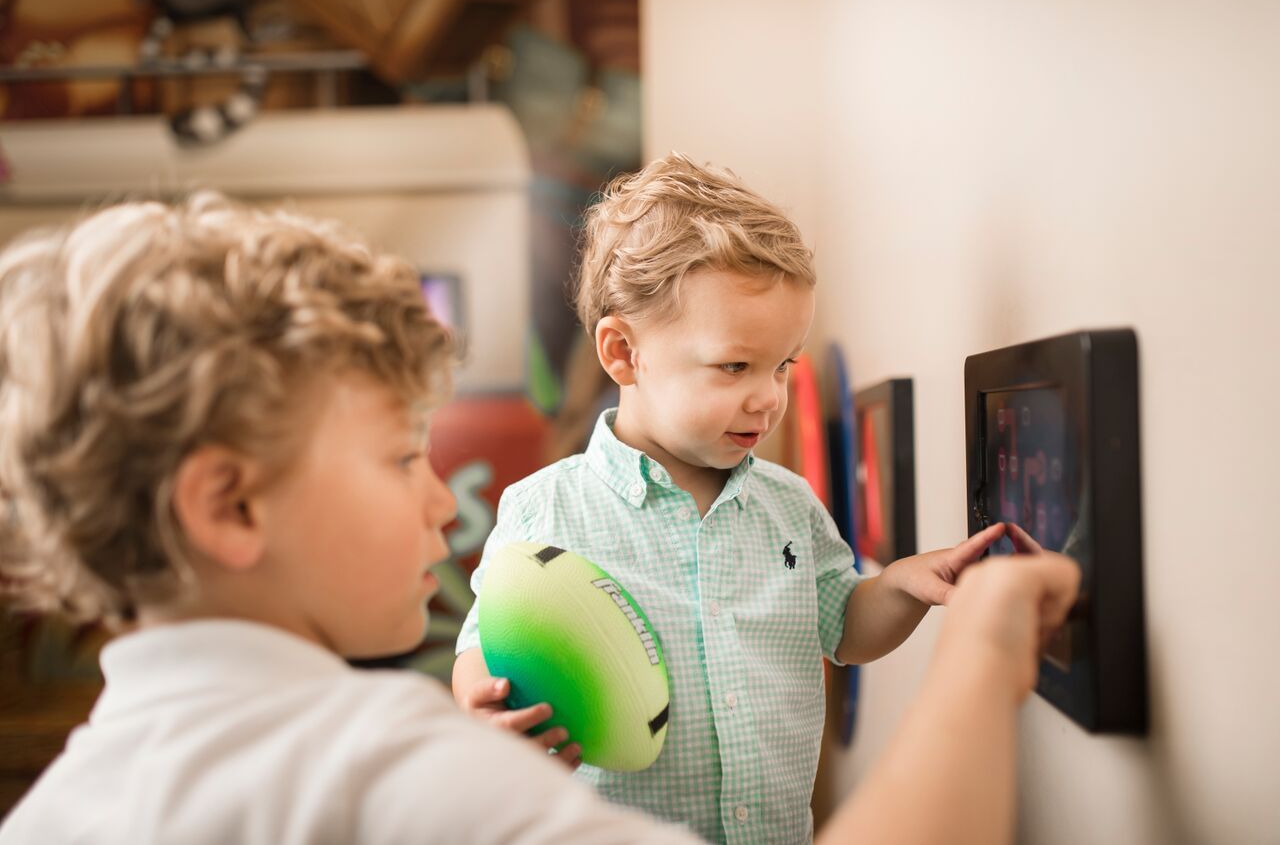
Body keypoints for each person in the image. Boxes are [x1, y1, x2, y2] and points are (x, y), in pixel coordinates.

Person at [0, 193, 1079, 845]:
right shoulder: (380, 770)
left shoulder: (50, 814)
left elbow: (839, 613)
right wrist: (986, 650)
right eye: (394, 456)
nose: (439, 500)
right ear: (230, 505)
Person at [452, 153, 1009, 843]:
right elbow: (483, 644)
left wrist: (905, 585)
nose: (769, 396)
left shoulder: (789, 504)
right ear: (623, 352)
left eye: (782, 365)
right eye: (734, 366)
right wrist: (481, 702)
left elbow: (846, 626)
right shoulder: (548, 508)